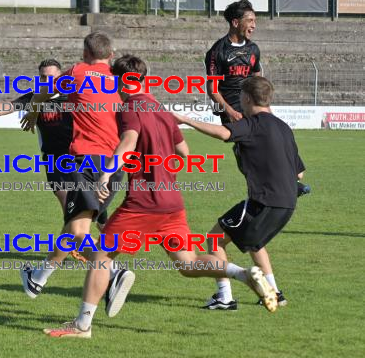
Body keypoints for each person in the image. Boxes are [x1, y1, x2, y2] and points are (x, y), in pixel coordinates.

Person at [43, 56, 278, 339]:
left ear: (121, 81)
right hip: (171, 203)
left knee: (101, 256)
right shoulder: (160, 108)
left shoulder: (130, 107)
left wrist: (106, 174)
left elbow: (128, 142)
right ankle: (243, 274)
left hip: (143, 203)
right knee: (188, 264)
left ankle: (82, 325)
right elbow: (184, 153)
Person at [172, 76, 306, 311]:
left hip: (264, 200)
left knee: (215, 238)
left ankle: (224, 297)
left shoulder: (253, 123)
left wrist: (184, 119)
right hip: (287, 204)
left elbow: (222, 133)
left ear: (245, 98)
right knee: (254, 241)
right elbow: (300, 174)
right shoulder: (283, 127)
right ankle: (274, 292)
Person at [18, 32, 125, 299]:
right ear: (110, 55)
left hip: (86, 161)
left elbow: (46, 91)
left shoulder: (77, 72)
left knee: (78, 231)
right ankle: (37, 279)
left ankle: (112, 273)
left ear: (85, 54)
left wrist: (33, 110)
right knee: (74, 224)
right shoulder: (121, 81)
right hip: (116, 165)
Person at [0, 58, 107, 230]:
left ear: (61, 77)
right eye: (43, 77)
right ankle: (79, 243)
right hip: (53, 160)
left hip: (79, 158)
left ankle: (102, 244)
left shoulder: (74, 96)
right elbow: (1, 109)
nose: (46, 81)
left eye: (51, 77)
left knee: (97, 214)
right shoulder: (35, 97)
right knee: (69, 205)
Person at [205, 0, 260, 124]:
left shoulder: (253, 49)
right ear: (235, 22)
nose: (254, 25)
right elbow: (212, 89)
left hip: (251, 107)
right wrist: (229, 112)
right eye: (250, 21)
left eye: (255, 21)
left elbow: (258, 80)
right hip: (231, 110)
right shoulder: (217, 51)